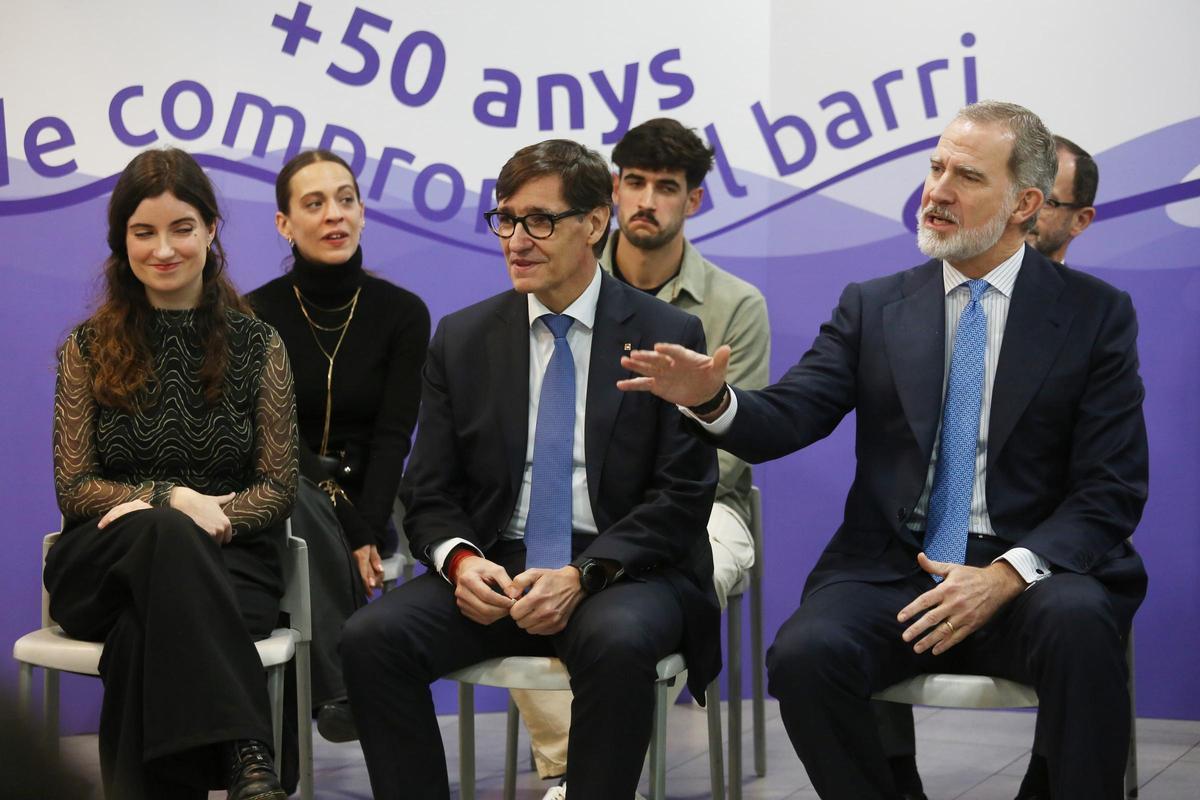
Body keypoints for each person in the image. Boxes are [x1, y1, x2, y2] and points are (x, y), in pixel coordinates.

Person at [619, 101, 1148, 800]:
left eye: (965, 175)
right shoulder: (874, 306)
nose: (937, 191)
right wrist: (712, 399)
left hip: (1031, 573)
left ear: (1024, 203)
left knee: (1082, 626)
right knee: (807, 654)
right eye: (934, 168)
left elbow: (1111, 489)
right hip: (896, 570)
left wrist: (1006, 576)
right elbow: (790, 414)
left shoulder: (1093, 313)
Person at [340, 139, 720, 800]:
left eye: (539, 221)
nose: (517, 239)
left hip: (620, 571)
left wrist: (583, 574)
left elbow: (682, 496)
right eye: (506, 219)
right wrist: (461, 562)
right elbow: (427, 489)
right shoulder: (463, 339)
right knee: (372, 638)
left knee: (619, 641)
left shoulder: (668, 336)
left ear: (595, 223)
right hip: (499, 563)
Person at [509, 118, 769, 793]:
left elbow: (733, 448)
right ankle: (575, 762)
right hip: (576, 496)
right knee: (525, 559)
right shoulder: (548, 282)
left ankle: (596, 756)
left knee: (666, 573)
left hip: (703, 500)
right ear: (608, 199)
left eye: (667, 187)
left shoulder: (736, 305)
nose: (646, 200)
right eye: (634, 182)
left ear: (695, 201)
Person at [45, 148, 299, 800]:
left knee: (142, 635)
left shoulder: (258, 345)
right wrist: (174, 500)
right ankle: (248, 752)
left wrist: (212, 518)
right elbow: (75, 488)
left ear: (211, 230)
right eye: (143, 231)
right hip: (104, 560)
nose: (163, 249)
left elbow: (277, 485)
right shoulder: (87, 347)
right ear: (120, 240)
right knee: (164, 533)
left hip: (230, 562)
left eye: (181, 228)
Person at [247, 149, 430, 741]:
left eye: (346, 199)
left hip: (370, 499)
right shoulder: (254, 315)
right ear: (284, 223)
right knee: (292, 495)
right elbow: (273, 442)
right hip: (281, 495)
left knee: (307, 511)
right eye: (314, 203)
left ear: (362, 212)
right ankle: (343, 687)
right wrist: (350, 530)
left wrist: (368, 525)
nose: (335, 215)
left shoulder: (403, 313)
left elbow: (393, 435)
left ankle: (317, 699)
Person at [1027, 135, 1099, 264]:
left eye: (1047, 202)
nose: (1022, 211)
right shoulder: (979, 281)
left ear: (1080, 221)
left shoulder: (1081, 285)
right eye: (1016, 193)